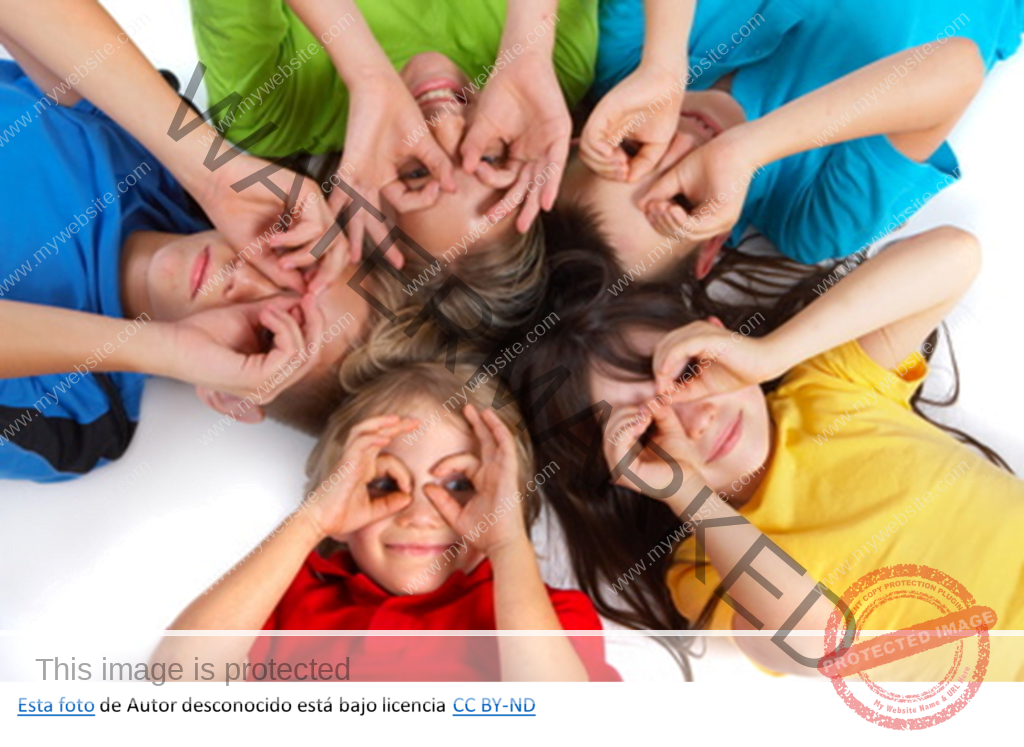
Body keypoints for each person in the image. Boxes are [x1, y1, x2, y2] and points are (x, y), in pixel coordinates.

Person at [516, 224, 1024, 678]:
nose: (697, 416)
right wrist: (686, 492)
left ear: (715, 338)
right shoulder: (705, 569)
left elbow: (956, 254)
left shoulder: (828, 386)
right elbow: (822, 642)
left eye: (689, 371)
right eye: (646, 429)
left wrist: (770, 354)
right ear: (626, 471)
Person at [0, 57, 398, 481]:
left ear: (231, 398)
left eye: (269, 334)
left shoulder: (76, 417)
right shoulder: (167, 159)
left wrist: (167, 348)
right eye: (296, 262)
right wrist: (211, 169)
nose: (244, 277)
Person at [151, 333, 620, 682]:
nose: (418, 515)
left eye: (459, 485)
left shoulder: (545, 615)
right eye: (383, 483)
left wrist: (507, 542)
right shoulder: (293, 599)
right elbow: (176, 679)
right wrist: (312, 520)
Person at [188, 0, 599, 321]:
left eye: (417, 171)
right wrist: (529, 46)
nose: (446, 124)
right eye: (487, 155)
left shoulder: (269, 111)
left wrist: (366, 73)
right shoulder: (547, 75)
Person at [576, 0, 1024, 271]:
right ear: (710, 245)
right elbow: (957, 67)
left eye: (632, 151)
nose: (683, 145)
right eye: (682, 199)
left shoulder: (630, 69)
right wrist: (744, 150)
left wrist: (663, 62)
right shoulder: (811, 219)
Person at [0, 0, 349, 292]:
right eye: (290, 257)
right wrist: (212, 176)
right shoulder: (155, 167)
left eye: (269, 337)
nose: (243, 279)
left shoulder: (44, 340)